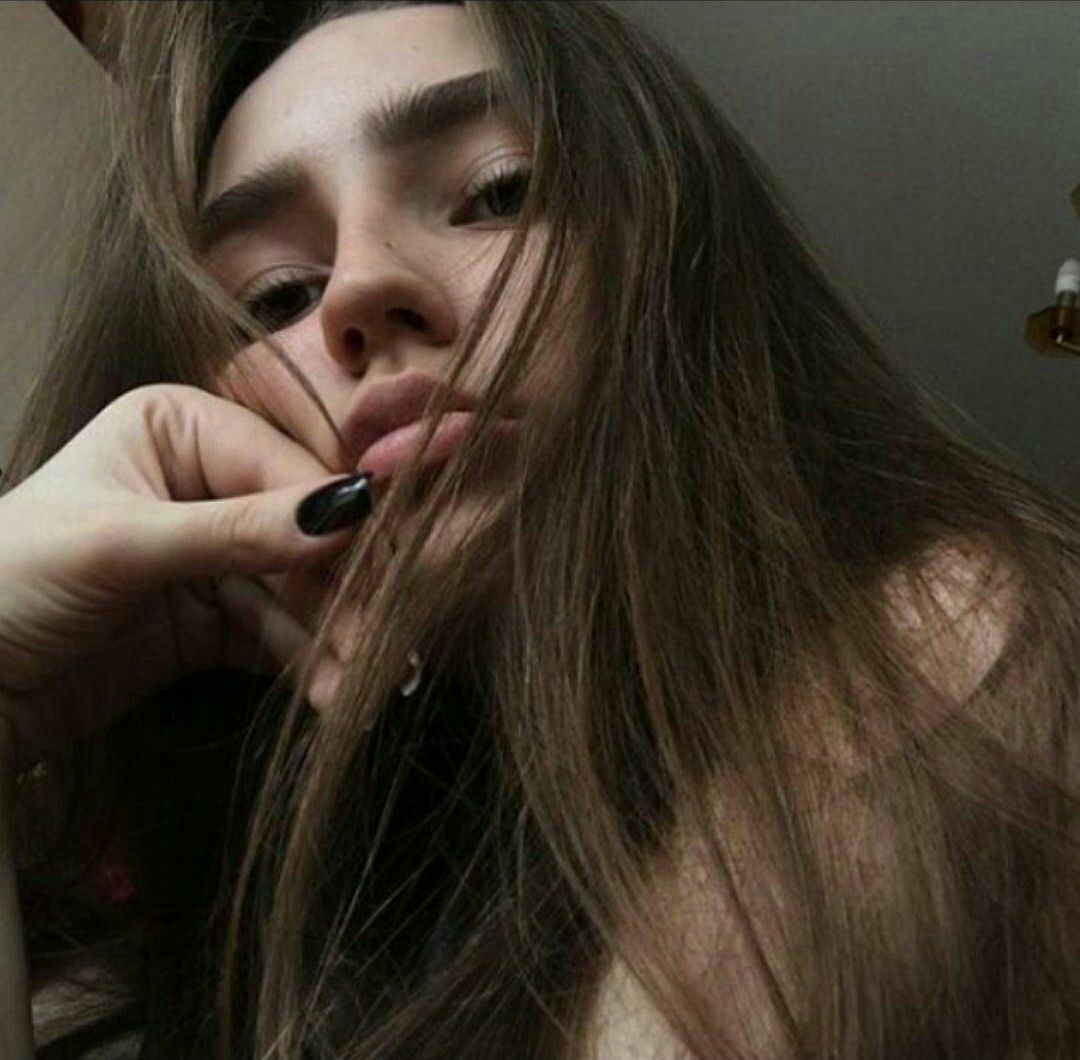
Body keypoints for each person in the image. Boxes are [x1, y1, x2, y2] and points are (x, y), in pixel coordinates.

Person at [1, 1, 1078, 1056]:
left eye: (497, 192)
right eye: (277, 296)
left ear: (668, 256)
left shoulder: (955, 634)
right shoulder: (253, 922)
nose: (361, 290)